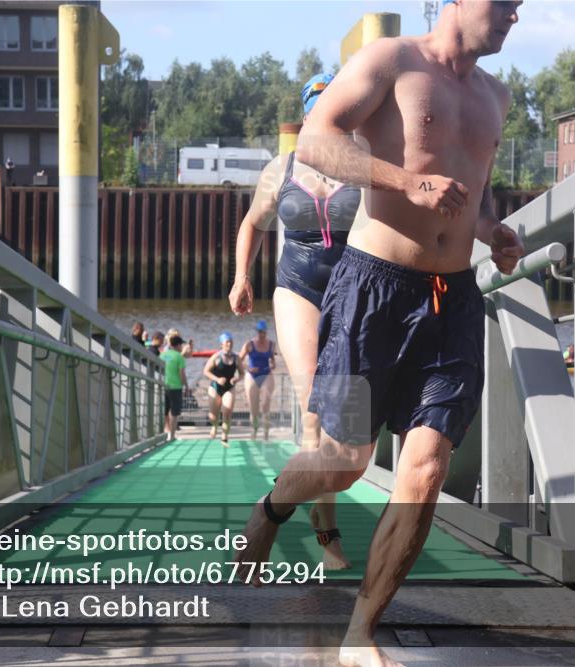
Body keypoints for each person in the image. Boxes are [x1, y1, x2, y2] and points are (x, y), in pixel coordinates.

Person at [232, 3, 525, 665]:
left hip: (452, 304)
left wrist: (492, 231)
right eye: (504, 0)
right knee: (346, 459)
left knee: (424, 469)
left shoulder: (496, 96)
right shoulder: (392, 60)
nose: (514, 11)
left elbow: (465, 190)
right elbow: (316, 140)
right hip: (374, 292)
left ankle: (360, 631)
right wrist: (404, 180)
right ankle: (271, 511)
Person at [229, 72, 358, 569]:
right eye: (322, 107)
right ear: (309, 116)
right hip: (298, 287)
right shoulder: (279, 168)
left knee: (344, 421)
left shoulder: (368, 165)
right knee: (316, 407)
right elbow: (253, 223)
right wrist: (242, 276)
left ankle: (290, 501)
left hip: (353, 291)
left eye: (342, 107)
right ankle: (327, 536)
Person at [239, 320, 277, 441]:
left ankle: (266, 435)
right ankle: (254, 432)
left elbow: (273, 361)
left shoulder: (271, 344)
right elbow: (238, 360)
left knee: (266, 404)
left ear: (266, 332)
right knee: (253, 408)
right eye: (260, 332)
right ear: (257, 332)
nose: (262, 335)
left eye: (264, 332)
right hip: (252, 375)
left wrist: (273, 365)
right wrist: (248, 368)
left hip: (266, 374)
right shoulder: (249, 344)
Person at [204, 332, 242, 445]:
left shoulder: (236, 358)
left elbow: (243, 373)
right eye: (227, 342)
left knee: (227, 411)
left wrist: (236, 379)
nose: (229, 344)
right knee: (213, 415)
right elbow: (206, 371)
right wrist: (217, 379)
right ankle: (214, 426)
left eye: (231, 342)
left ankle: (224, 436)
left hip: (229, 388)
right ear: (222, 344)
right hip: (215, 387)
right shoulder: (216, 357)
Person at [161, 335, 189, 441]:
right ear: (177, 345)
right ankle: (172, 435)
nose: (182, 346)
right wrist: (185, 385)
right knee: (174, 412)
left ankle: (166, 431)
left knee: (165, 410)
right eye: (181, 344)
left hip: (164, 385)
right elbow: (182, 373)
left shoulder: (164, 355)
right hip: (176, 387)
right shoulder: (179, 357)